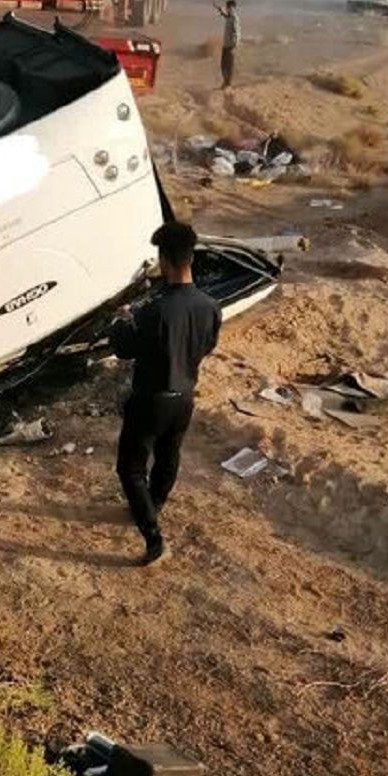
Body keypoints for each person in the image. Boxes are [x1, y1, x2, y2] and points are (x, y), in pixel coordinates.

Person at [109, 221, 222, 565]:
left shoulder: (154, 309)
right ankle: (153, 505)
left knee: (130, 468)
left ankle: (154, 537)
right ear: (190, 259)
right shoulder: (210, 306)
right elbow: (207, 346)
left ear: (166, 261)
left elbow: (124, 349)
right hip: (184, 398)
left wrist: (121, 320)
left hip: (149, 399)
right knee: (168, 457)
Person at [213, 0, 240, 87]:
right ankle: (225, 82)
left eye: (229, 7)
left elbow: (237, 32)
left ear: (232, 7)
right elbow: (226, 16)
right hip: (226, 45)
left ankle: (228, 83)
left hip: (230, 46)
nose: (228, 9)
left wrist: (235, 45)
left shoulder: (234, 18)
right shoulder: (229, 16)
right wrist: (219, 9)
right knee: (223, 65)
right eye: (227, 7)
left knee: (228, 66)